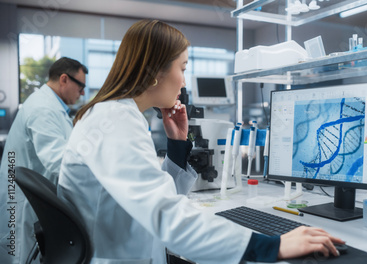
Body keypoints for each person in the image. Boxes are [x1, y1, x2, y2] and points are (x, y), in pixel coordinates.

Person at [57, 19, 344, 264]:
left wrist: (177, 145)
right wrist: (272, 246)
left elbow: (154, 198)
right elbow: (167, 217)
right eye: (182, 68)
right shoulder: (116, 120)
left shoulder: (114, 114)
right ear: (154, 72)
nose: (183, 81)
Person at [0, 57, 87, 263]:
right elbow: (57, 161)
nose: (83, 92)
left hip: (29, 199)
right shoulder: (43, 109)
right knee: (22, 254)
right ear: (64, 79)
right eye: (80, 85)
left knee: (28, 253)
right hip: (21, 202)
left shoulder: (52, 108)